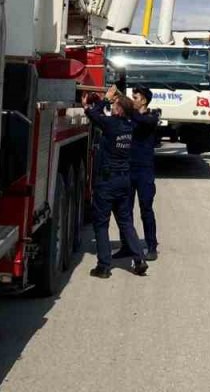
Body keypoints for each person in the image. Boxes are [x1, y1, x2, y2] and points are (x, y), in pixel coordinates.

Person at [83, 90, 148, 279]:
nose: (111, 108)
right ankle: (139, 260)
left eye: (114, 106)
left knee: (101, 224)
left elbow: (93, 114)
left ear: (119, 111)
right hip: (123, 181)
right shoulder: (130, 126)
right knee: (126, 221)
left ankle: (103, 266)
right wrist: (113, 100)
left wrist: (104, 99)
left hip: (107, 181)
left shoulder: (111, 125)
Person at [114, 85, 160, 261]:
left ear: (144, 101)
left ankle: (151, 246)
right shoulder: (130, 118)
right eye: (132, 97)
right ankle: (127, 246)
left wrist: (126, 105)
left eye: (135, 97)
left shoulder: (151, 117)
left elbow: (143, 122)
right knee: (125, 210)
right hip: (127, 168)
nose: (133, 100)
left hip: (144, 170)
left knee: (146, 209)